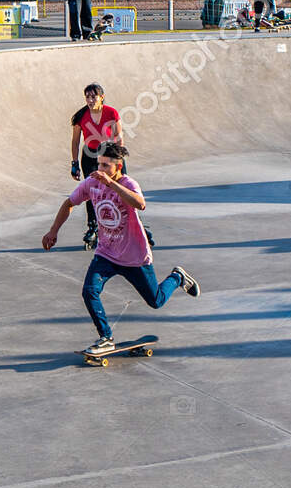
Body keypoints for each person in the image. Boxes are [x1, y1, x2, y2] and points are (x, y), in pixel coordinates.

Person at [42, 141, 200, 358]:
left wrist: (111, 184)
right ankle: (105, 337)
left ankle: (177, 277)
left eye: (106, 166)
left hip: (134, 256)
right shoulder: (91, 183)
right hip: (106, 253)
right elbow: (68, 203)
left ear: (118, 166)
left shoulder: (129, 184)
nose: (100, 170)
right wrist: (53, 231)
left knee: (156, 301)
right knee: (89, 290)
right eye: (99, 165)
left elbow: (140, 204)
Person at [70, 82, 122, 248]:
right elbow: (75, 141)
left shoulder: (111, 112)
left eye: (94, 96)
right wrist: (74, 163)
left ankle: (135, 222)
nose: (90, 100)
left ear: (102, 97)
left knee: (121, 188)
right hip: (90, 156)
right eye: (87, 97)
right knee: (92, 191)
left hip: (109, 155)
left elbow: (119, 137)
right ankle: (93, 227)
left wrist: (117, 158)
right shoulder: (81, 117)